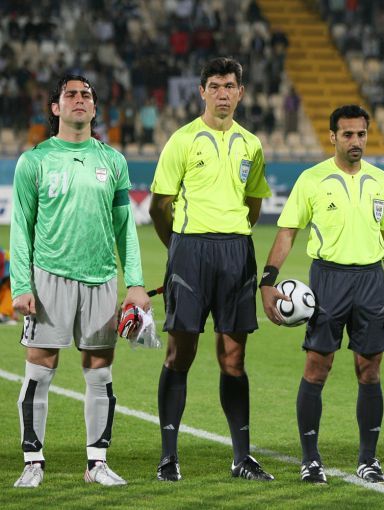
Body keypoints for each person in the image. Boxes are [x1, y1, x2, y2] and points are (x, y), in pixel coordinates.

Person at [10, 74, 151, 488]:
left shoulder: (113, 161)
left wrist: (135, 283)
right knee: (40, 369)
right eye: (70, 94)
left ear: (94, 107)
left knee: (100, 371)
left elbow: (125, 228)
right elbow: (21, 228)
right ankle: (33, 462)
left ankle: (97, 464)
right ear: (55, 108)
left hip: (101, 279)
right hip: (48, 278)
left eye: (86, 94)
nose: (79, 99)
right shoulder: (35, 161)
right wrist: (21, 286)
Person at [260, 104, 384, 484]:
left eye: (361, 134)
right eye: (348, 134)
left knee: (369, 369)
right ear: (333, 137)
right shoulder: (312, 179)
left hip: (371, 280)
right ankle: (310, 460)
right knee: (317, 367)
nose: (356, 141)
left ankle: (368, 459)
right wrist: (268, 280)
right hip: (328, 280)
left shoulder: (380, 180)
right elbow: (288, 231)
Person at [149, 57, 273, 482]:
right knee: (180, 353)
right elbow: (160, 206)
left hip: (236, 252)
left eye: (230, 86)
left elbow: (254, 201)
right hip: (190, 251)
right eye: (215, 86)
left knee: (234, 358)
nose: (223, 94)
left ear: (240, 92)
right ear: (202, 91)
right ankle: (169, 457)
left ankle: (242, 458)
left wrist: (233, 234)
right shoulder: (182, 140)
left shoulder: (251, 145)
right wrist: (178, 248)